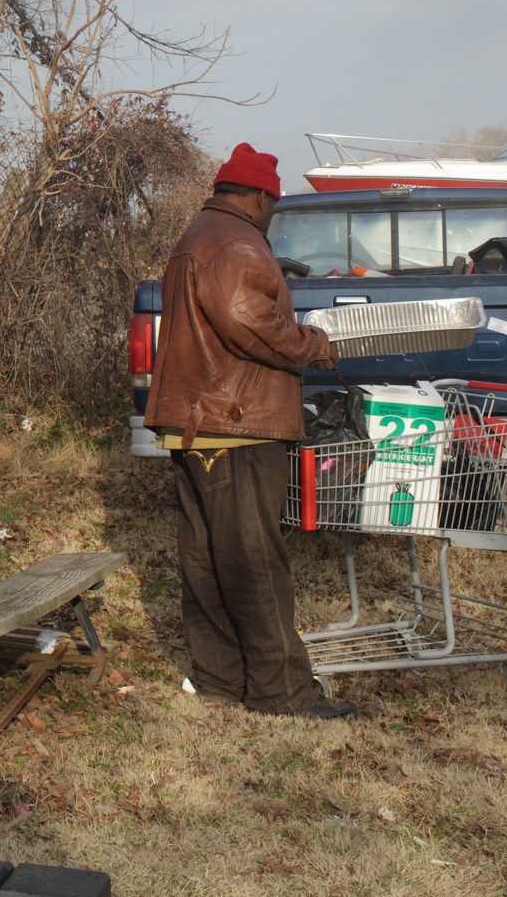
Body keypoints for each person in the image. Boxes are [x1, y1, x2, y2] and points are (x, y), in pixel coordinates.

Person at [145, 143, 356, 720]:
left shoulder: (201, 232)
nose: (272, 217)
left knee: (209, 556)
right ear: (260, 197)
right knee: (255, 559)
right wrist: (311, 345)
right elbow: (246, 316)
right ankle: (281, 693)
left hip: (197, 423)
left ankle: (220, 675)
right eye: (274, 205)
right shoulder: (236, 241)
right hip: (234, 422)